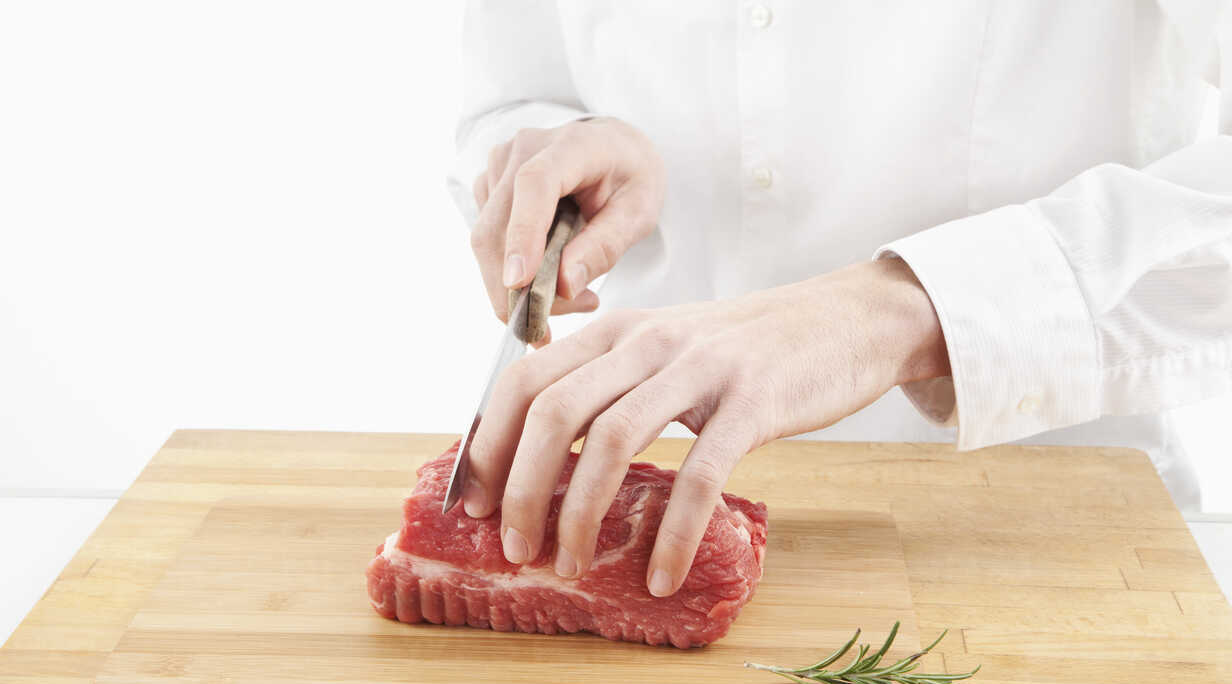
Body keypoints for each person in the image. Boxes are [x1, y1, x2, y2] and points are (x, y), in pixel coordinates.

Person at [444, 1, 1232, 598]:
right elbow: (513, 87)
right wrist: (562, 139)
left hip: (1038, 539)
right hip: (642, 490)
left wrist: (907, 305)